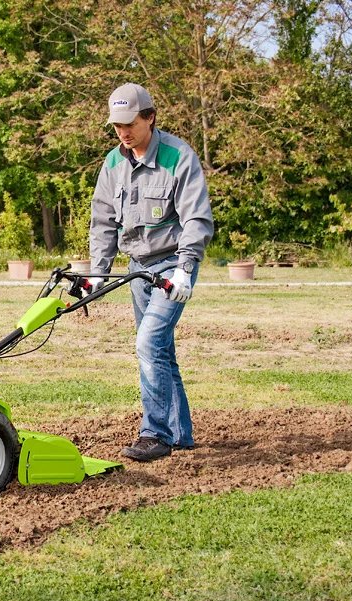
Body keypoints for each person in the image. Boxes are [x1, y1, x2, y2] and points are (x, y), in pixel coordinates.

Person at [88, 82, 214, 462]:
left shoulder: (179, 156)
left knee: (147, 344)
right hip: (137, 270)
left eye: (130, 123)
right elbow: (103, 222)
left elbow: (196, 217)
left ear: (150, 117)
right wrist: (98, 273)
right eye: (116, 126)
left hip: (171, 265)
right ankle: (180, 435)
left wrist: (186, 270)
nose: (123, 132)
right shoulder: (113, 163)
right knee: (161, 351)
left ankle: (154, 433)